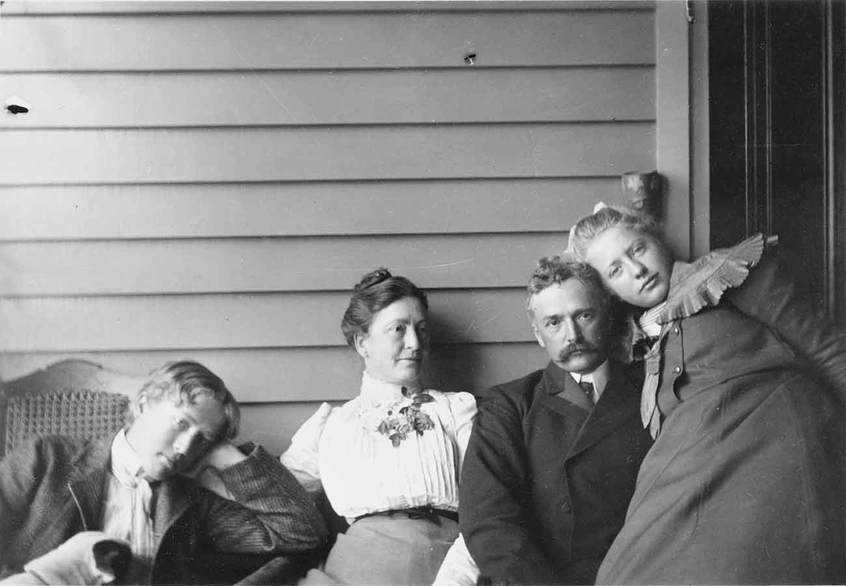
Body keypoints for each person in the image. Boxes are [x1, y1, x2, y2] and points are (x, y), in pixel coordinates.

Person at [569, 204, 846, 584]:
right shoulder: (634, 341)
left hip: (772, 438)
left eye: (638, 249)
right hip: (697, 463)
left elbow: (827, 349)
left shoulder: (727, 272)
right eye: (616, 270)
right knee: (626, 573)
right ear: (610, 292)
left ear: (656, 239)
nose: (638, 270)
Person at [0, 360, 330, 585]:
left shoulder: (193, 502)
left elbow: (301, 532)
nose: (185, 446)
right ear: (143, 404)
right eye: (181, 422)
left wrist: (227, 456)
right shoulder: (47, 458)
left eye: (202, 439)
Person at [446, 257, 652, 585]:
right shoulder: (510, 406)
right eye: (554, 323)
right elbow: (489, 523)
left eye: (584, 315)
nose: (573, 335)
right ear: (539, 334)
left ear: (608, 317)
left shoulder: (650, 389)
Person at [281, 268, 477, 585]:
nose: (415, 342)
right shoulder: (330, 425)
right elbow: (277, 505)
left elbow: (489, 508)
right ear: (363, 343)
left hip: (443, 570)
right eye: (398, 329)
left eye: (422, 329)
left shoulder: (455, 411)